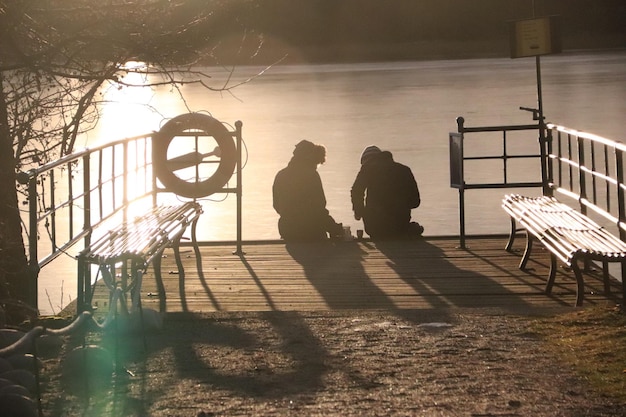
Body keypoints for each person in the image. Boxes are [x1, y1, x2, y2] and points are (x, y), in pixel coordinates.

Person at [273, 140, 343, 241]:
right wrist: (335, 229)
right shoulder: (311, 176)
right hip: (311, 231)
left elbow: (277, 205)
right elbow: (319, 209)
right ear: (311, 158)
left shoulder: (280, 175)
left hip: (287, 230)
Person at [351, 145, 423, 240]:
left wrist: (359, 212)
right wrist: (400, 206)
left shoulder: (367, 170)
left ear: (368, 161)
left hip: (375, 227)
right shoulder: (404, 170)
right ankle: (409, 230)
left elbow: (356, 191)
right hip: (401, 224)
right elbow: (415, 202)